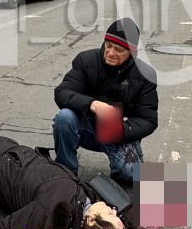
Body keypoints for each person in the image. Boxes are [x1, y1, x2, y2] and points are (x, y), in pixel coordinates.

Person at [52, 17, 158, 185]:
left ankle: (124, 171)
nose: (110, 53)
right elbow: (62, 92)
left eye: (118, 50)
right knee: (64, 117)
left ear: (132, 52)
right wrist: (92, 104)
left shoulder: (145, 75)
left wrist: (121, 130)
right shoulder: (86, 60)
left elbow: (149, 120)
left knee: (132, 176)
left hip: (118, 132)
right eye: (108, 45)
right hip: (87, 128)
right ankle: (66, 173)